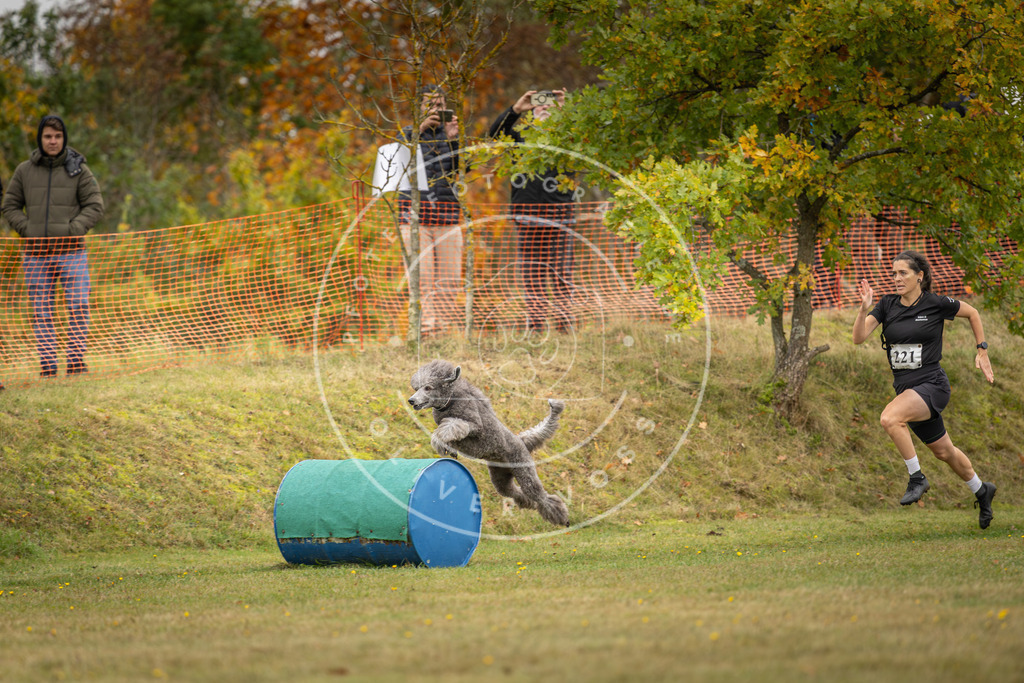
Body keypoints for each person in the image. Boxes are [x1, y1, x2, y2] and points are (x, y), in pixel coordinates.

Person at [852, 250, 997, 529]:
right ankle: (982, 489)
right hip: (906, 390)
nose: (896, 278)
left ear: (920, 276)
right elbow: (858, 337)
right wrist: (862, 309)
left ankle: (916, 477)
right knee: (945, 452)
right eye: (893, 273)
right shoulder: (887, 305)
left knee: (890, 418)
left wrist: (982, 349)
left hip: (932, 385)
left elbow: (973, 313)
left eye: (903, 273)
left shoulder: (935, 303)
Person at [2, 115, 105, 377]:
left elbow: (95, 206)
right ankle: (48, 366)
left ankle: (76, 363)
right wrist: (26, 229)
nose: (53, 141)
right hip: (35, 255)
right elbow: (10, 205)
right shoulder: (24, 170)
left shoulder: (79, 170)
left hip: (72, 253)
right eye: (48, 136)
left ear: (64, 139)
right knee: (41, 311)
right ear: (40, 138)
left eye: (58, 136)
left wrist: (74, 230)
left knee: (78, 306)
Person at [487, 89, 576, 333]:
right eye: (539, 103)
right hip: (527, 215)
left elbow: (590, 137)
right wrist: (516, 109)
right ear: (532, 109)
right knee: (533, 273)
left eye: (551, 104)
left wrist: (568, 109)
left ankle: (564, 326)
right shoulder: (519, 136)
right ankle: (535, 325)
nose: (545, 107)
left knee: (561, 272)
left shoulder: (568, 135)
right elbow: (495, 133)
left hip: (561, 214)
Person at [397, 86, 463, 335]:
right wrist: (420, 129)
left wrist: (453, 138)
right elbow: (397, 163)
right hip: (414, 219)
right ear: (419, 106)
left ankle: (443, 331)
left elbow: (462, 171)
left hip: (447, 217)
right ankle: (426, 331)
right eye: (431, 104)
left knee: (450, 280)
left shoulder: (453, 135)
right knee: (422, 279)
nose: (437, 108)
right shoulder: (407, 133)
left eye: (440, 103)